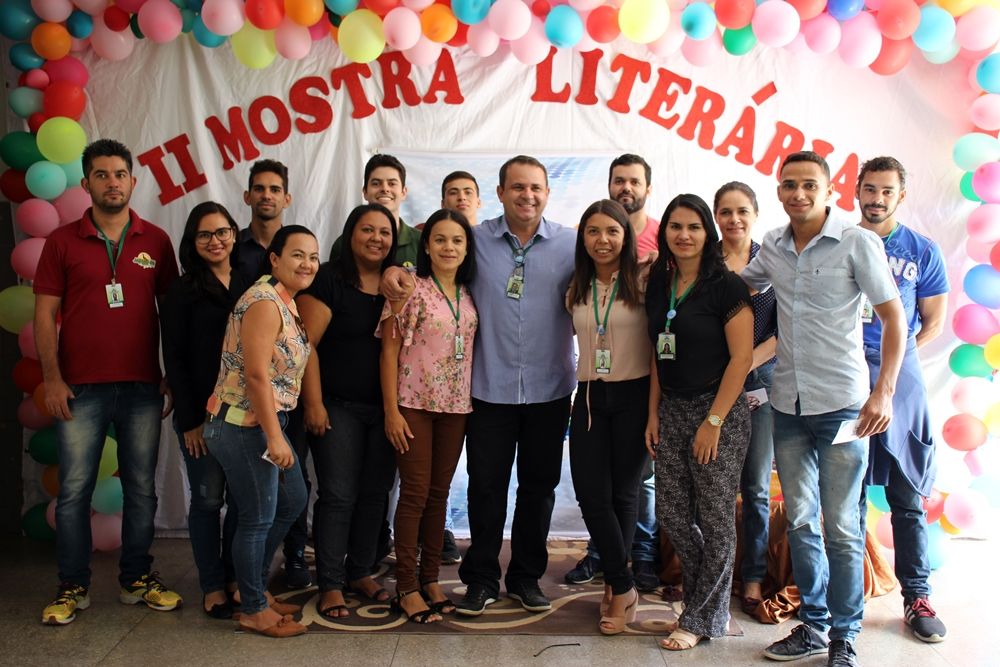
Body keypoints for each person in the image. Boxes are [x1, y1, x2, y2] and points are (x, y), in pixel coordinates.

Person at [741, 151, 906, 667]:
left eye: (810, 184)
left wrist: (883, 392)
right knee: (801, 521)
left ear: (830, 191)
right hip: (788, 405)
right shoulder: (773, 244)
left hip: (844, 407)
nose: (799, 193)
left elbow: (895, 319)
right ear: (779, 191)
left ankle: (844, 636)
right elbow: (740, 285)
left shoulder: (857, 242)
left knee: (841, 527)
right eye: (789, 184)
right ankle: (813, 626)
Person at [35, 139, 182, 625]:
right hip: (80, 388)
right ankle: (72, 586)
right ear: (86, 183)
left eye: (120, 174)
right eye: (101, 175)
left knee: (141, 489)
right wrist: (52, 379)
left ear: (133, 182)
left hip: (142, 387)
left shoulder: (155, 240)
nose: (112, 183)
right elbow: (44, 315)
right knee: (74, 491)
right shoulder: (61, 241)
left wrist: (170, 375)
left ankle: (136, 579)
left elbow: (172, 315)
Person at [644, 193, 753, 650]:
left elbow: (742, 358)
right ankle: (706, 603)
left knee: (715, 519)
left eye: (693, 227)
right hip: (672, 409)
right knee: (670, 512)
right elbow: (658, 351)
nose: (684, 235)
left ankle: (700, 616)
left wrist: (714, 421)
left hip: (718, 411)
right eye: (675, 226)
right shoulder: (659, 281)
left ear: (708, 232)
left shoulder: (727, 286)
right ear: (664, 232)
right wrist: (653, 411)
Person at [203, 225, 319, 638]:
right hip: (243, 424)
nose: (307, 264)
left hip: (266, 421)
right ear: (275, 259)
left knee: (292, 501)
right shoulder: (265, 302)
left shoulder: (285, 299)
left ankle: (250, 588)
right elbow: (255, 375)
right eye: (297, 255)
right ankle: (252, 607)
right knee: (256, 517)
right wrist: (273, 436)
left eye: (313, 257)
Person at [855, 157, 949, 643]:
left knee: (907, 494)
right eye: (870, 189)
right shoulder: (840, 242)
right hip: (846, 373)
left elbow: (933, 321)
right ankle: (843, 597)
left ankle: (917, 596)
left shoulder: (922, 250)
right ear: (856, 191)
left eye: (886, 191)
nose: (877, 199)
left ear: (901, 196)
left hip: (900, 374)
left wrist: (895, 361)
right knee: (845, 493)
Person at [296, 205, 399, 620]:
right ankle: (331, 583)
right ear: (350, 234)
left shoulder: (397, 283)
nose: (376, 238)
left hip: (386, 409)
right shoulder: (329, 279)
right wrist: (314, 403)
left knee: (375, 494)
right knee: (338, 496)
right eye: (367, 230)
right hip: (338, 406)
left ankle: (360, 571)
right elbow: (306, 345)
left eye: (384, 232)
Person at [566, 154, 661, 593]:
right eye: (593, 231)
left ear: (626, 236)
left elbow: (659, 351)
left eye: (612, 231)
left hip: (634, 395)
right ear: (583, 238)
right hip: (589, 396)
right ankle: (622, 582)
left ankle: (616, 588)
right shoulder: (575, 286)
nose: (602, 240)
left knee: (625, 494)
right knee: (591, 494)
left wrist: (655, 411)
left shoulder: (645, 281)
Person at [379, 209, 479, 623]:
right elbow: (388, 351)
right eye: (440, 239)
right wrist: (391, 411)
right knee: (415, 494)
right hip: (413, 405)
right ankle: (406, 586)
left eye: (457, 240)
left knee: (439, 495)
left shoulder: (469, 292)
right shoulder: (409, 287)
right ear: (426, 245)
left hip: (455, 407)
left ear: (467, 248)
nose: (448, 247)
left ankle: (430, 578)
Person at [162, 202, 249, 619]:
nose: (215, 241)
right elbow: (175, 359)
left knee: (242, 499)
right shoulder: (182, 290)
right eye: (204, 235)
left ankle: (233, 576)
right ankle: (212, 584)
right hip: (202, 414)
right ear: (192, 242)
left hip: (244, 413)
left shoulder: (251, 282)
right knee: (208, 499)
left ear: (234, 234)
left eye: (222, 232)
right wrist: (191, 421)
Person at [714, 182, 777, 615]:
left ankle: (753, 576)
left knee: (755, 486)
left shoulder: (772, 260)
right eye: (725, 211)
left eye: (742, 211)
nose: (734, 219)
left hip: (761, 380)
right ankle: (708, 574)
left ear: (755, 214)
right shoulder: (705, 262)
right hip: (711, 383)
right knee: (712, 486)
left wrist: (745, 364)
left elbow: (784, 329)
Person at [438, 170, 482, 565]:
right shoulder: (428, 253)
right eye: (453, 192)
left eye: (468, 192)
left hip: (471, 387)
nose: (461, 198)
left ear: (480, 201)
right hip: (423, 392)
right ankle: (441, 532)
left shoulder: (487, 244)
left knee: (459, 471)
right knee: (423, 482)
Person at [331, 154, 420, 267]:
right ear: (365, 192)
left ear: (403, 192)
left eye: (392, 183)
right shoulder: (344, 243)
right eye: (376, 183)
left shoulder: (421, 242)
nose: (385, 189)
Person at [235, 159, 292, 285]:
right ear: (247, 197)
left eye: (275, 190)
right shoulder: (231, 247)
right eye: (259, 189)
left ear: (286, 200)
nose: (266, 196)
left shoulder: (297, 249)